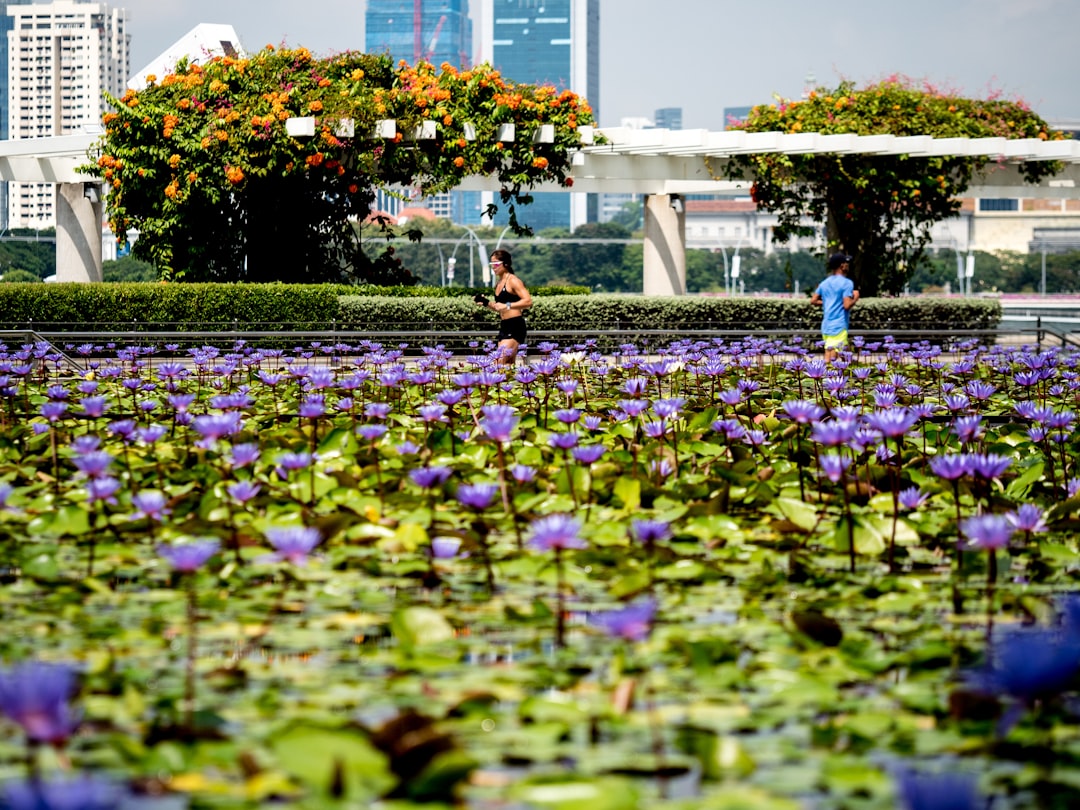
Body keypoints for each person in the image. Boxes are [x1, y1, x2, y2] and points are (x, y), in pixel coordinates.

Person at [473, 249, 532, 364]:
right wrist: (485, 302)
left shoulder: (513, 281)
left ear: (505, 264)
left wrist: (507, 305)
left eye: (496, 263)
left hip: (515, 326)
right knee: (507, 366)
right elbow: (498, 307)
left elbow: (528, 301)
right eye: (491, 264)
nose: (493, 267)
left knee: (498, 363)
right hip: (504, 326)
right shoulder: (499, 283)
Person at [810, 252, 859, 363]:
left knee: (844, 354)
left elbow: (813, 300)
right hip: (839, 325)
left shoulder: (824, 283)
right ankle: (823, 373)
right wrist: (855, 298)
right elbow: (846, 305)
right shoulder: (847, 283)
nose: (848, 265)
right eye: (846, 263)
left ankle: (851, 369)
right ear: (842, 266)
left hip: (826, 326)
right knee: (830, 358)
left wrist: (828, 303)